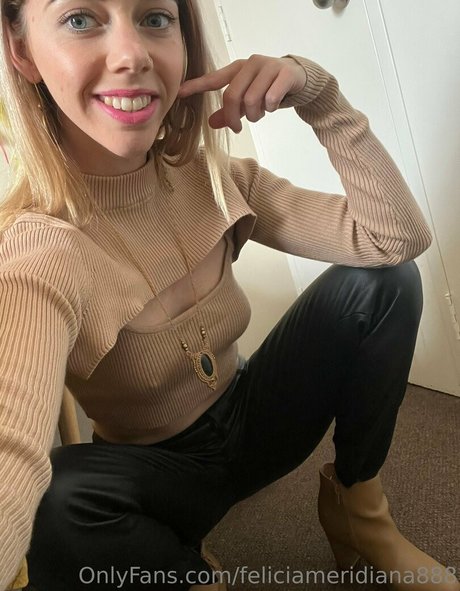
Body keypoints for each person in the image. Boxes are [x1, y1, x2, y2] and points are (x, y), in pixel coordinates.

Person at [0, 0, 458, 590]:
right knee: (56, 500)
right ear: (21, 50)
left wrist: (321, 98)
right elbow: (10, 452)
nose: (132, 54)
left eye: (155, 18)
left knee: (383, 283)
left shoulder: (215, 179)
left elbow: (394, 240)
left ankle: (360, 513)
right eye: (80, 19)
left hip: (254, 424)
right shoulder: (36, 249)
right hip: (161, 479)